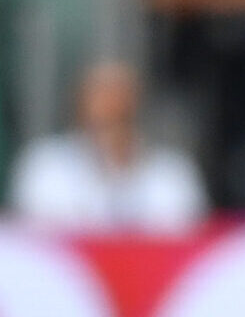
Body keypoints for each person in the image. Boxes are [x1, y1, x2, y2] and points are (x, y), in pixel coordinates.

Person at [9, 60, 208, 232]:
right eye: (100, 97)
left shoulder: (172, 171)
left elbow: (187, 238)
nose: (110, 107)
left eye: (120, 99)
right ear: (79, 105)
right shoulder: (45, 165)